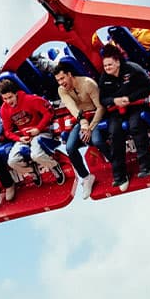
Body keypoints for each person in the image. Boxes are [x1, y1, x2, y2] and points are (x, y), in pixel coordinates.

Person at [94, 46, 150, 181]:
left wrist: (130, 98)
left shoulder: (132, 68)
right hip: (117, 112)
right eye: (105, 66)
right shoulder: (104, 78)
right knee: (114, 133)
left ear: (117, 62)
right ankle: (119, 176)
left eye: (110, 64)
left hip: (137, 106)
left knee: (135, 126)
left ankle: (147, 167)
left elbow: (149, 85)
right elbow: (102, 99)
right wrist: (114, 100)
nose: (107, 68)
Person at [0, 77, 63, 188]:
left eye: (10, 97)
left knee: (36, 155)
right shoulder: (4, 109)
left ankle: (54, 166)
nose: (8, 101)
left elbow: (49, 112)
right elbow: (7, 131)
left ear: (16, 93)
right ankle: (32, 171)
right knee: (12, 161)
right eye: (5, 99)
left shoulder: (30, 100)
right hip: (24, 138)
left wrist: (38, 128)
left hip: (41, 133)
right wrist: (19, 139)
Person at [51, 62, 103, 198]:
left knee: (97, 140)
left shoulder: (88, 83)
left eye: (63, 78)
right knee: (70, 147)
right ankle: (86, 178)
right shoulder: (61, 90)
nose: (61, 82)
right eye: (58, 80)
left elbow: (100, 108)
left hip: (97, 115)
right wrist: (83, 123)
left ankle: (116, 165)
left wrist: (90, 127)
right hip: (82, 120)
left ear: (70, 75)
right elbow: (72, 108)